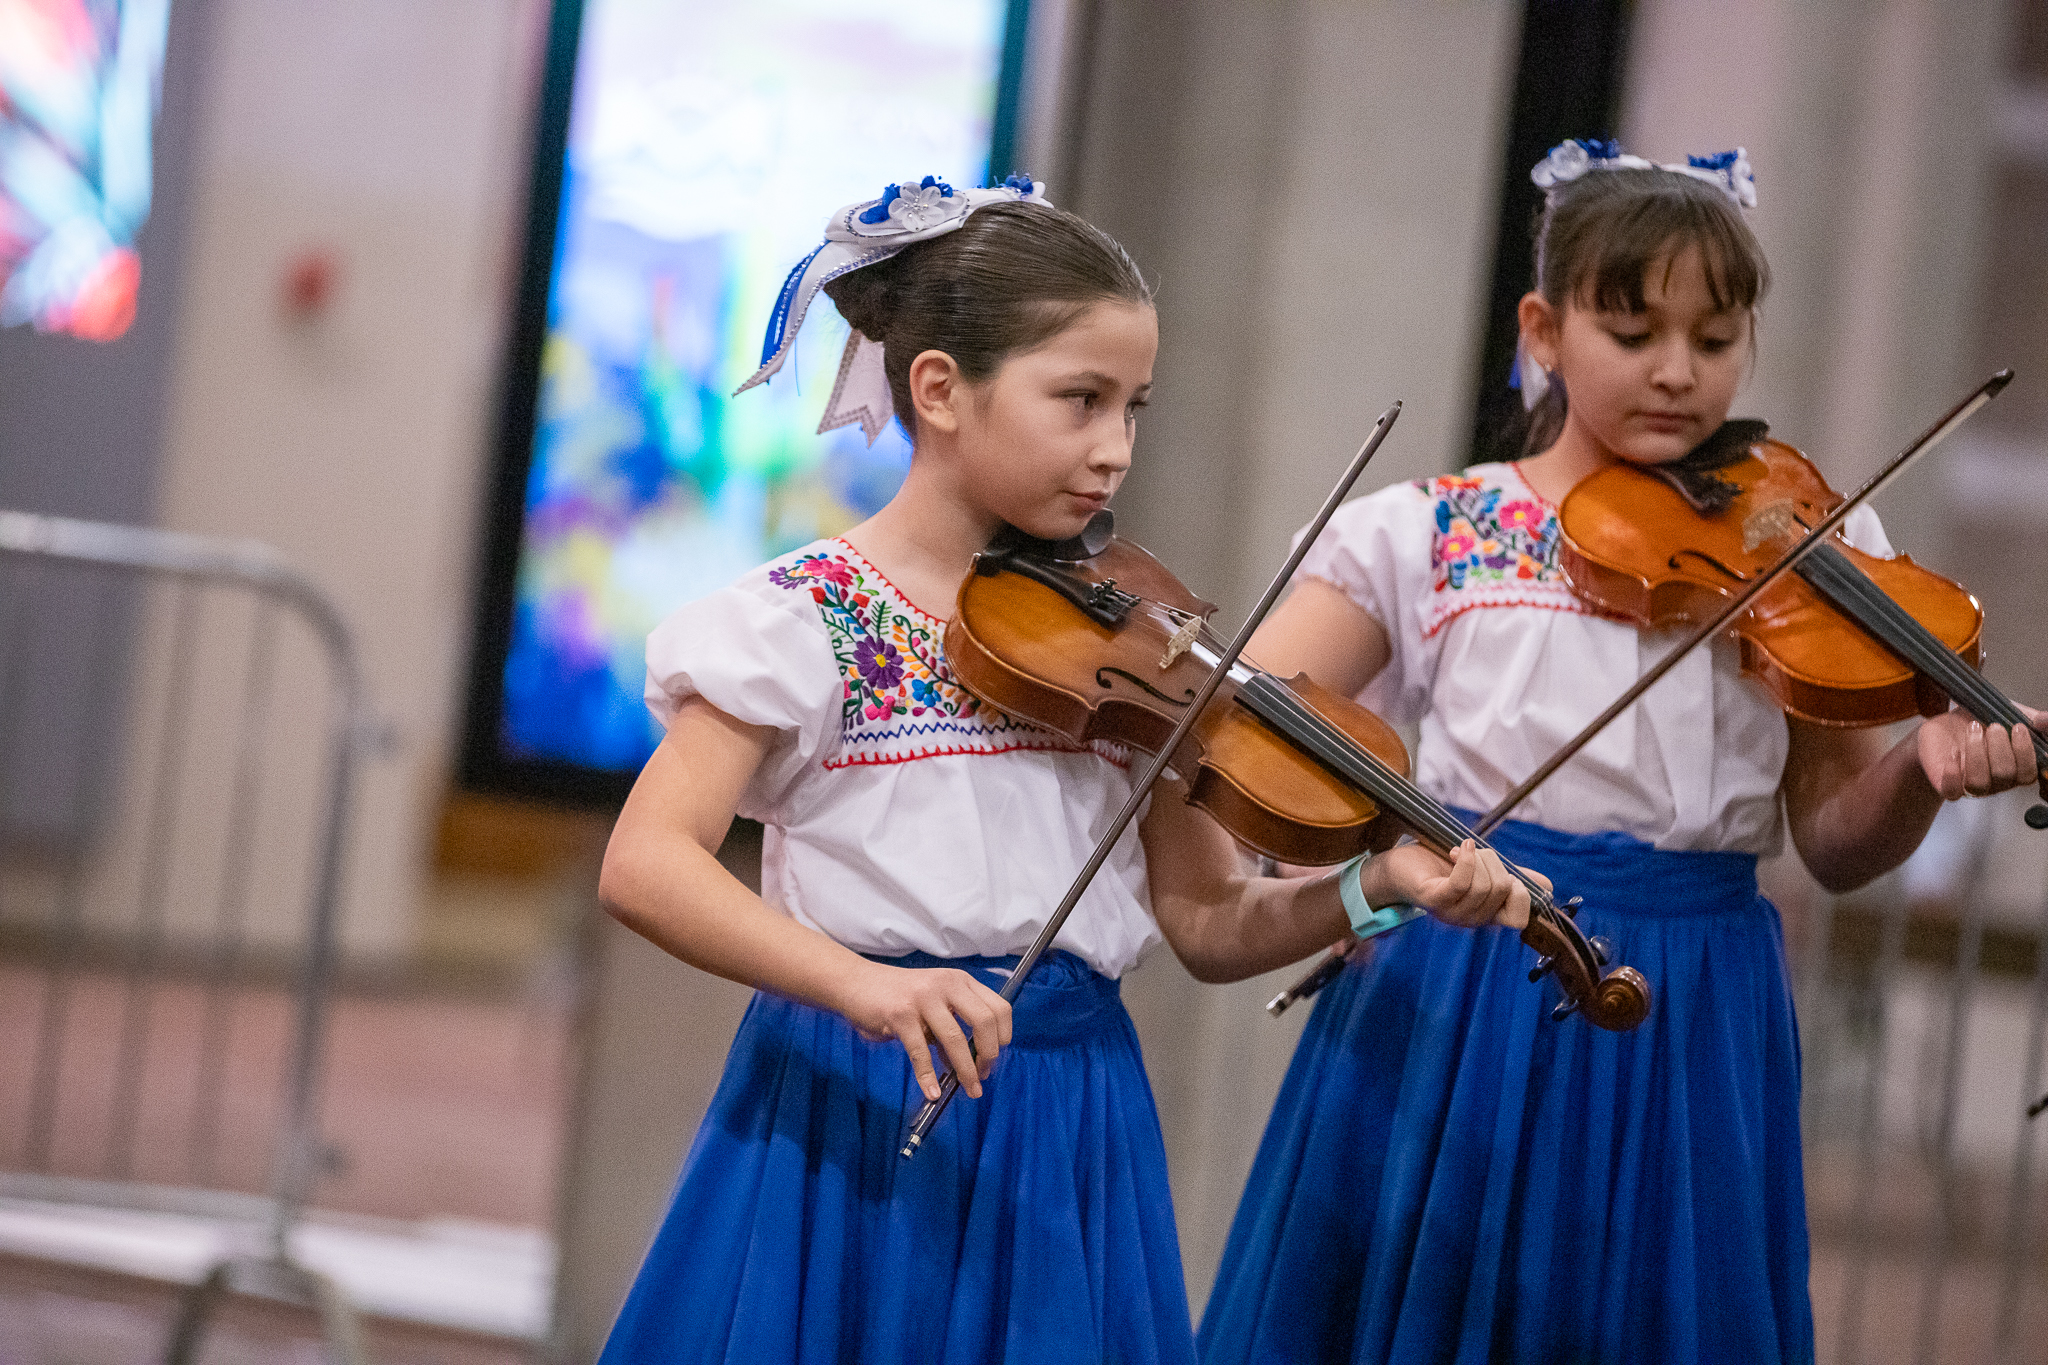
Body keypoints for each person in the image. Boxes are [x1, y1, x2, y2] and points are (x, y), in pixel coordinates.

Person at [593, 175, 1539, 1365]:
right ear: (938, 389)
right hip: (863, 1095)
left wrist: (1374, 889)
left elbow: (1208, 920)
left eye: (1133, 408)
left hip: (1074, 1116)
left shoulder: (1132, 647)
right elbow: (644, 863)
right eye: (1079, 400)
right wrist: (865, 988)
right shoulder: (803, 620)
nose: (1113, 451)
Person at [1197, 141, 2044, 1365]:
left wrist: (1919, 768)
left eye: (1713, 340)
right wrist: (1362, 856)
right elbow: (1253, 709)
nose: (1675, 373)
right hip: (1469, 967)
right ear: (1542, 328)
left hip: (1696, 997)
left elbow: (1834, 844)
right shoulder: (1431, 531)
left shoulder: (1807, 544)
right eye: (1631, 329)